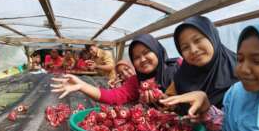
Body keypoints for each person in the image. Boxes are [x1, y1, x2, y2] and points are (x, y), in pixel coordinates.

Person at [160, 24, 259, 131]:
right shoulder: (236, 92)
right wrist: (207, 110)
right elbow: (226, 129)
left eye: (258, 61)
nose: (243, 69)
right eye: (240, 59)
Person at [51, 34, 179, 105]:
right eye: (136, 57)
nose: (143, 59)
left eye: (146, 52)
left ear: (157, 51)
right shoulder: (135, 82)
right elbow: (113, 96)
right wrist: (82, 85)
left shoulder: (178, 69)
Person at [165, 16, 238, 109]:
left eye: (197, 40)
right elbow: (173, 104)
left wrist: (208, 113)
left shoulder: (242, 71)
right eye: (185, 47)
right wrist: (166, 103)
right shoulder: (181, 76)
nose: (193, 50)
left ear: (211, 36)